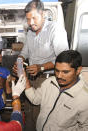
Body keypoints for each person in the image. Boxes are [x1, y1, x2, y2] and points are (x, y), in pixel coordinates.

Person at [13, 0, 69, 130]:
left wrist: (41, 67)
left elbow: (63, 59)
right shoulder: (30, 32)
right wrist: (19, 61)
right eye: (28, 19)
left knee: (41, 115)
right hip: (30, 79)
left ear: (43, 14)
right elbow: (24, 52)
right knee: (28, 112)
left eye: (34, 18)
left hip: (47, 80)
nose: (31, 23)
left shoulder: (55, 29)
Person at [24, 50, 88, 131]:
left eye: (65, 72)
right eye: (57, 70)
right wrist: (24, 79)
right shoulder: (49, 82)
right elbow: (35, 99)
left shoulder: (85, 98)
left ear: (78, 70)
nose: (59, 76)